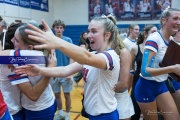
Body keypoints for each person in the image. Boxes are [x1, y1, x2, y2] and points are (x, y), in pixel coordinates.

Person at [15, 15, 121, 120]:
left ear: (107, 35)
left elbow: (86, 57)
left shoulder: (110, 57)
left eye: (94, 31)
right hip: (94, 114)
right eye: (89, 31)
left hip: (106, 115)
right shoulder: (94, 54)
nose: (89, 35)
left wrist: (56, 42)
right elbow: (65, 70)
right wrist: (40, 70)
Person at [0, 23, 57, 120]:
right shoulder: (40, 54)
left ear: (30, 47)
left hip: (38, 109)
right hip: (44, 102)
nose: (12, 40)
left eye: (16, 40)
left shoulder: (30, 57)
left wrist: (49, 72)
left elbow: (33, 95)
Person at [134, 8, 180, 120]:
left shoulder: (170, 39)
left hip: (160, 85)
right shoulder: (154, 39)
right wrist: (172, 68)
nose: (178, 22)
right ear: (164, 20)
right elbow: (144, 71)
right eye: (175, 18)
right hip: (146, 87)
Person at [130, 24, 158, 120]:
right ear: (146, 33)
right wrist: (137, 71)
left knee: (150, 112)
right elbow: (131, 65)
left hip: (152, 80)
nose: (156, 34)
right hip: (138, 79)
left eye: (156, 32)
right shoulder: (135, 48)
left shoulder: (157, 48)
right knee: (135, 110)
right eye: (153, 32)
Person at [50, 19, 74, 120]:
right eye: (57, 27)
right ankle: (60, 113)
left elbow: (72, 56)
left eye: (61, 27)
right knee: (57, 94)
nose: (59, 29)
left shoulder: (68, 40)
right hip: (54, 73)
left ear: (63, 29)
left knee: (67, 95)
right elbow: (49, 56)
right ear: (54, 28)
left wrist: (70, 71)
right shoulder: (51, 40)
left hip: (66, 72)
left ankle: (67, 114)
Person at [123, 24, 139, 92]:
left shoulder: (138, 41)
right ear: (130, 30)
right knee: (129, 91)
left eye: (138, 29)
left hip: (137, 70)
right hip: (129, 71)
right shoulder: (125, 42)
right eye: (136, 29)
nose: (138, 31)